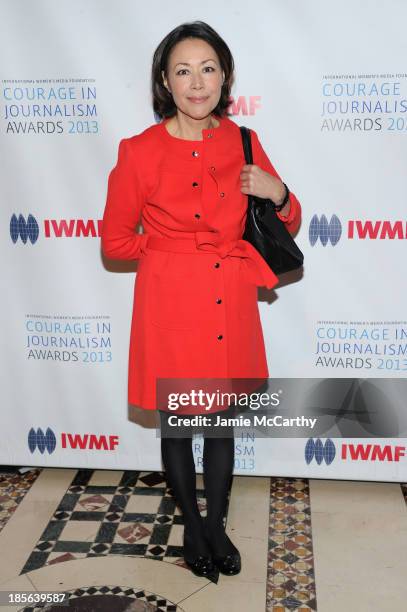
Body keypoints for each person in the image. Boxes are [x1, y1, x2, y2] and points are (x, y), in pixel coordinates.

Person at [101, 21, 302, 583]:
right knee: (177, 427)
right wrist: (173, 251)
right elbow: (116, 242)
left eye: (208, 68)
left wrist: (277, 193)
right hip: (171, 305)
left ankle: (216, 527)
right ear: (165, 81)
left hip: (229, 298)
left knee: (221, 426)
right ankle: (191, 524)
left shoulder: (242, 140)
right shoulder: (138, 151)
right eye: (183, 70)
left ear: (225, 76)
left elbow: (288, 217)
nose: (197, 82)